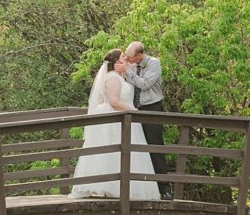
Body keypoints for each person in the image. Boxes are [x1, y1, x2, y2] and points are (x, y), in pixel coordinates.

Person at [68, 49, 160, 200]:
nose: (127, 58)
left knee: (124, 154)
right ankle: (110, 188)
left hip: (126, 120)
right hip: (117, 122)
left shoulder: (121, 78)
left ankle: (125, 188)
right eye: (123, 56)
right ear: (117, 61)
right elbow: (114, 102)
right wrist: (134, 110)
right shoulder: (112, 78)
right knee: (113, 154)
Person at [123, 41, 173, 200]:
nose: (128, 60)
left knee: (155, 147)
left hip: (152, 108)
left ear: (139, 55)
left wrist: (128, 73)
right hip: (134, 109)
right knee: (136, 149)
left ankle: (164, 187)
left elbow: (145, 84)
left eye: (130, 57)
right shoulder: (129, 65)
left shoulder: (154, 63)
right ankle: (142, 188)